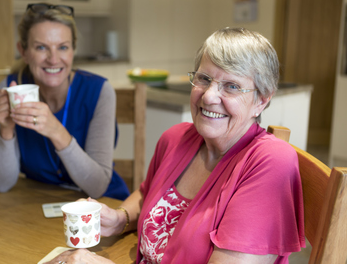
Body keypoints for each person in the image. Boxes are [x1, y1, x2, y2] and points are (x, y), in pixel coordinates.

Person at [45, 27, 305, 264]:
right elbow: (148, 195)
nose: (209, 96)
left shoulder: (271, 161)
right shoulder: (177, 138)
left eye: (232, 86)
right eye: (204, 79)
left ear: (262, 100)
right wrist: (120, 219)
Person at [0, 3, 129, 200]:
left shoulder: (99, 91)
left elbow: (97, 187)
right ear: (24, 51)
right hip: (39, 202)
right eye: (41, 47)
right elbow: (2, 184)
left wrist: (56, 131)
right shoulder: (12, 88)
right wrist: (6, 130)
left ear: (73, 51)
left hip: (100, 207)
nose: (53, 59)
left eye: (62, 47)